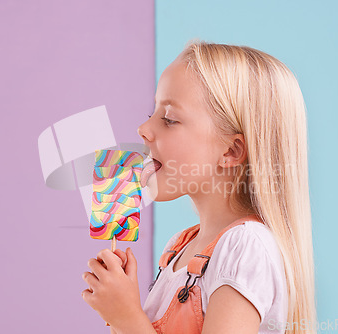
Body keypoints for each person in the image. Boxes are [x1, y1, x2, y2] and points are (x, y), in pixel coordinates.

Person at [81, 40, 317, 334]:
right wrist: (118, 310)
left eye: (169, 119)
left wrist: (127, 319)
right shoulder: (178, 248)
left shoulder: (245, 248)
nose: (143, 129)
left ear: (230, 151)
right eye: (151, 114)